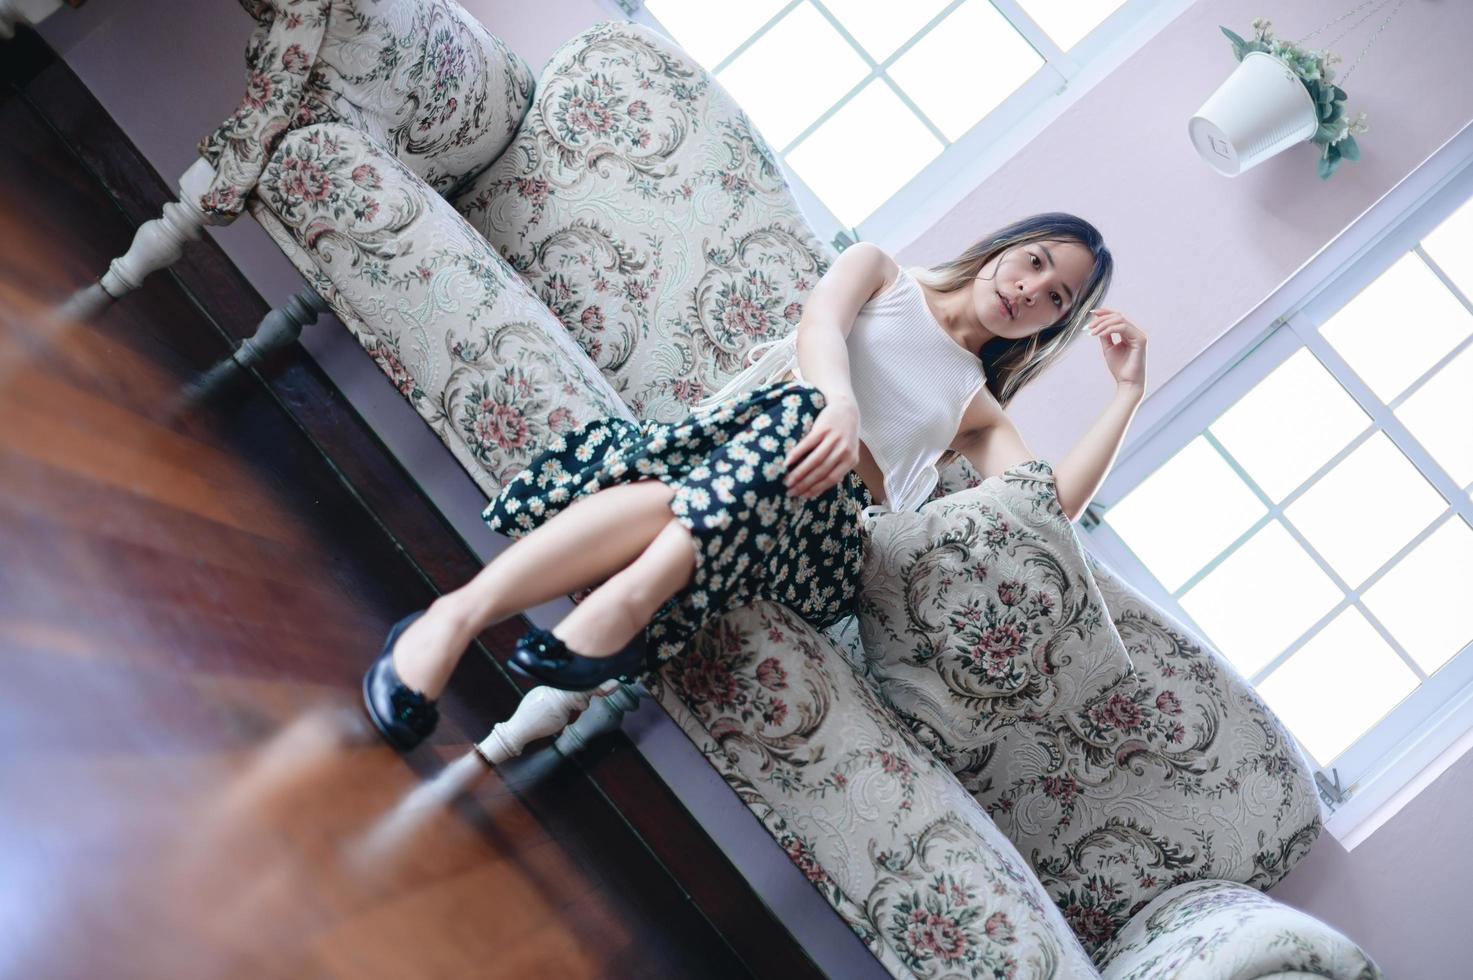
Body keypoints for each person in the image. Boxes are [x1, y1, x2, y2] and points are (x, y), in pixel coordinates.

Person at [362, 212, 1138, 751]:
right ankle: (489, 621)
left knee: (731, 471)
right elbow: (817, 329)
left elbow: (1045, 511)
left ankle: (489, 615)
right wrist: (837, 404)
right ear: (1005, 245)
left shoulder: (980, 410)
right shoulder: (880, 272)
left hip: (816, 548)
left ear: (1049, 329)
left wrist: (1126, 393)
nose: (1031, 289)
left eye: (1055, 299)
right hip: (723, 464)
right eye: (1034, 261)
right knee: (761, 441)